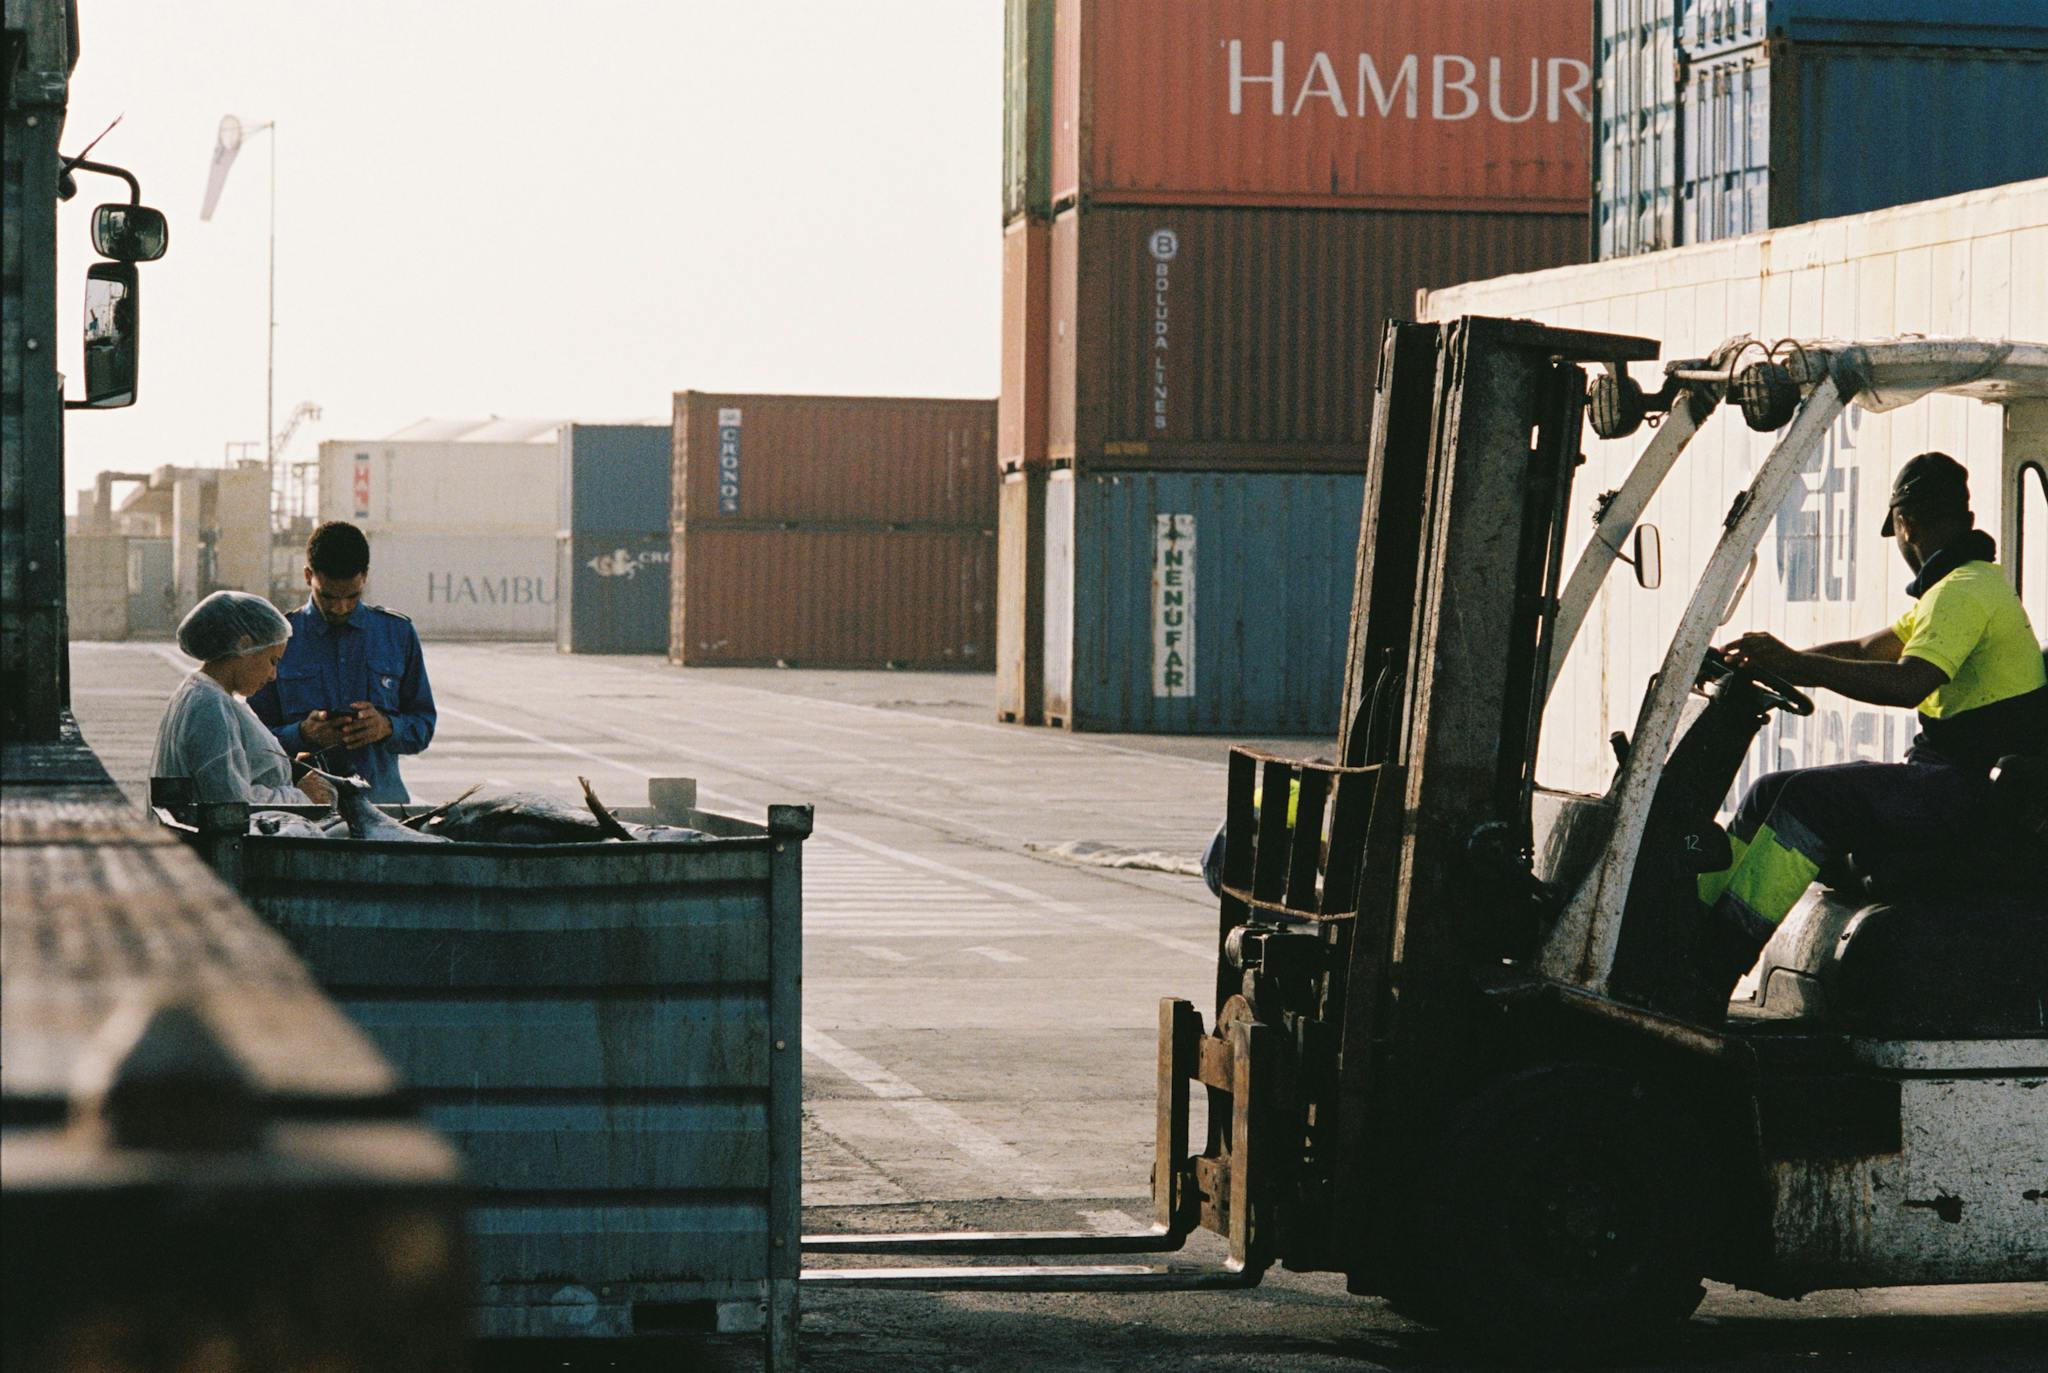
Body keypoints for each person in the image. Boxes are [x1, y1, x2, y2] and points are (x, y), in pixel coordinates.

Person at [1698, 451, 2048, 980]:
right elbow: (1865, 650)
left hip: (1971, 790)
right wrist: (1773, 664)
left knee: (1807, 801)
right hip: (1953, 781)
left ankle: (1711, 967)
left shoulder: (1964, 592)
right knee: (1770, 789)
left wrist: (1792, 663)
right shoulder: (1959, 587)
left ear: (1904, 523)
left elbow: (1908, 684)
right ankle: (1685, 929)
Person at [249, 521, 436, 803]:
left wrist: (386, 727)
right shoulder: (279, 638)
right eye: (328, 596)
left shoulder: (397, 634)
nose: (340, 608)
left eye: (352, 596)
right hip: (304, 812)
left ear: (365, 577)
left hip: (383, 808)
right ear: (308, 575)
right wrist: (301, 734)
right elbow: (252, 740)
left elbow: (422, 724)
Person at [153, 591, 335, 807]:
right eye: (272, 660)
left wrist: (288, 771)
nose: (273, 675)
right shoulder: (210, 707)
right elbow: (230, 804)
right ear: (245, 645)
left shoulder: (206, 695)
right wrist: (301, 796)